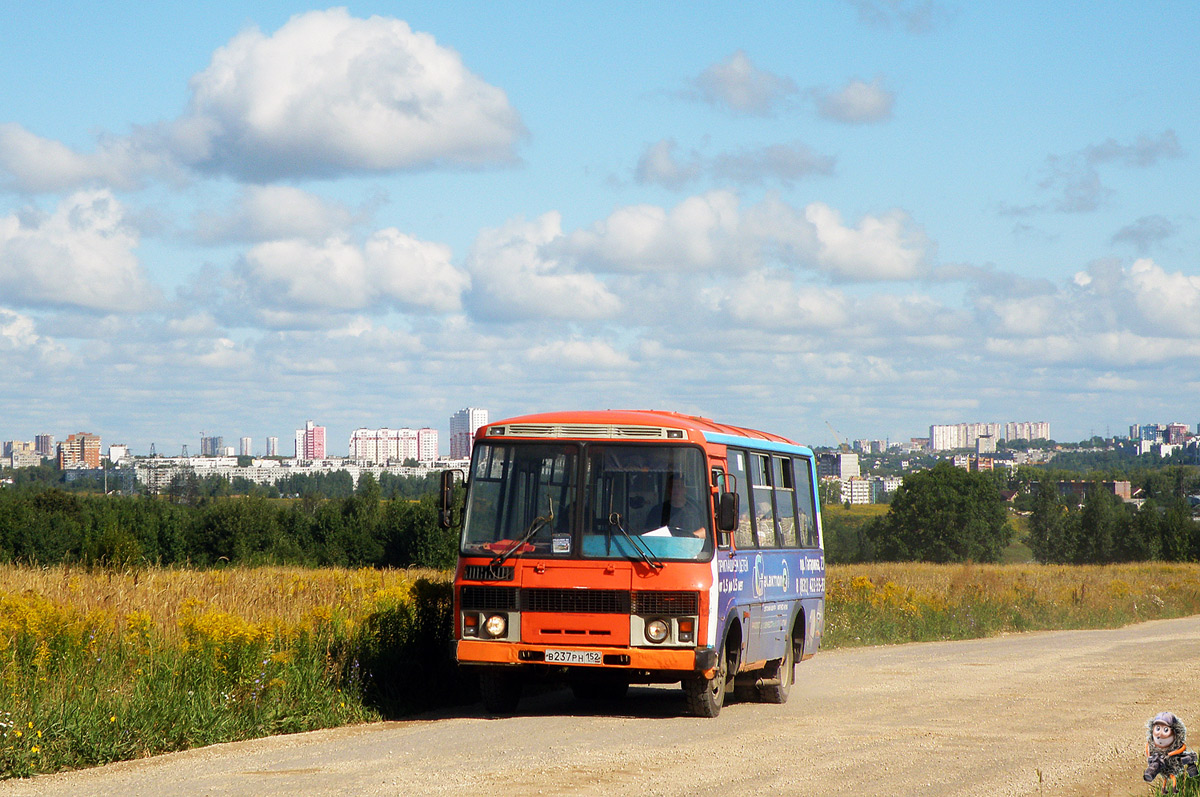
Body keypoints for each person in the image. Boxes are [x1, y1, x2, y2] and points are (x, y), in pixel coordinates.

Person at [644, 473, 707, 538]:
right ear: (669, 489)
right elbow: (648, 534)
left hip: (690, 546)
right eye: (673, 487)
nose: (676, 490)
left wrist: (691, 537)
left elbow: (706, 531)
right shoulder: (657, 511)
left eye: (679, 487)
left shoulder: (695, 510)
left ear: (685, 489)